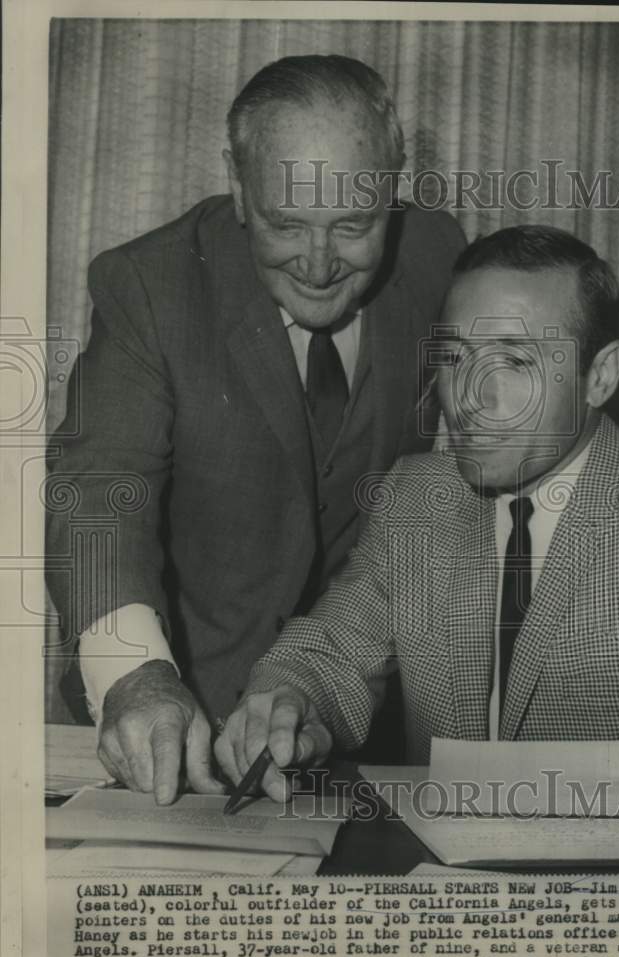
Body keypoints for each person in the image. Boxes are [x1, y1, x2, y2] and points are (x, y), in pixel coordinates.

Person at [45, 54, 466, 803]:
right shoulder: (152, 284)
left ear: (394, 187)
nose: (317, 263)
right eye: (285, 223)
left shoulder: (439, 259)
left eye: (352, 225)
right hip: (169, 727)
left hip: (349, 726)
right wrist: (136, 676)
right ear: (238, 187)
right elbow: (101, 490)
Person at [213, 224, 619, 802]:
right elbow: (332, 651)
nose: (467, 397)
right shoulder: (417, 499)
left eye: (513, 360)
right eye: (455, 357)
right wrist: (288, 700)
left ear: (601, 375)